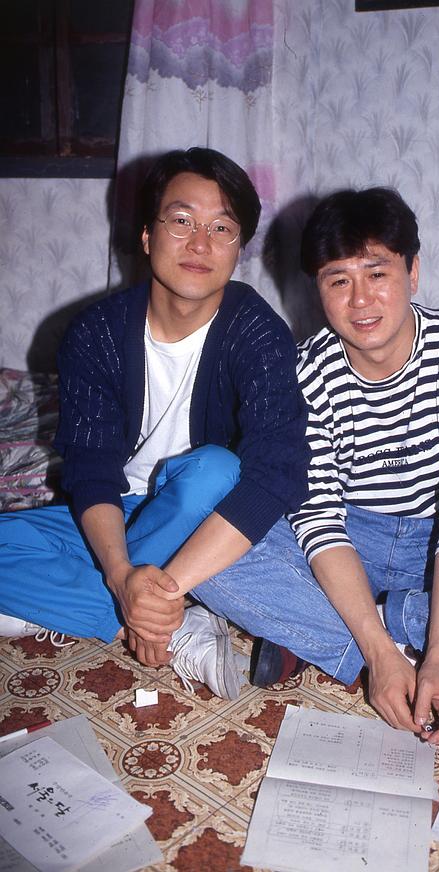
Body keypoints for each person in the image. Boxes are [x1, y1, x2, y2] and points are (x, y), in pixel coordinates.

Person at [179, 186, 439, 743]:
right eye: (338, 280)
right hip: (350, 538)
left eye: (377, 273)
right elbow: (319, 521)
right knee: (202, 547)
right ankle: (403, 653)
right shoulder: (302, 374)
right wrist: (383, 655)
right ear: (318, 289)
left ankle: (336, 638)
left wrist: (435, 653)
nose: (360, 300)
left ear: (413, 271)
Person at [0, 147, 309, 700]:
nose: (200, 243)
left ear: (238, 249)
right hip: (117, 511)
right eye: (182, 220)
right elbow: (91, 472)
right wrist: (123, 579)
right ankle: (168, 620)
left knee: (216, 469)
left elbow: (277, 474)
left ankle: (106, 600)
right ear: (147, 235)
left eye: (221, 228)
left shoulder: (258, 333)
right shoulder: (95, 333)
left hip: (203, 518)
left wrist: (139, 581)